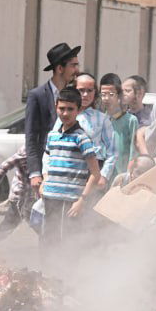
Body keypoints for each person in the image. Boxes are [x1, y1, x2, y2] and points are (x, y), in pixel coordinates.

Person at [40, 85, 102, 256]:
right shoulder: (52, 136)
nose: (65, 113)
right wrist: (45, 180)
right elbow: (48, 160)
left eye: (70, 109)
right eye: (62, 108)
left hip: (71, 201)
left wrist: (82, 201)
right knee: (49, 238)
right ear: (56, 107)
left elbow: (95, 174)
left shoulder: (82, 138)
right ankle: (46, 275)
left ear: (78, 110)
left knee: (69, 240)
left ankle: (67, 278)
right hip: (51, 196)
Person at [24, 43, 81, 197]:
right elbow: (31, 137)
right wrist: (35, 172)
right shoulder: (37, 95)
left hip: (69, 168)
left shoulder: (76, 94)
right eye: (73, 65)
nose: (77, 70)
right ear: (60, 68)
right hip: (46, 167)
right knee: (26, 213)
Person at [99, 73, 143, 182]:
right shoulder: (99, 119)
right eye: (103, 94)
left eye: (111, 94)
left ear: (119, 95)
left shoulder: (130, 120)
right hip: (101, 176)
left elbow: (133, 151)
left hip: (120, 175)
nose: (106, 98)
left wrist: (128, 174)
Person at [0, 148, 31, 243]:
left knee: (43, 225)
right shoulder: (26, 152)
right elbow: (2, 168)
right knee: (8, 226)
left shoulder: (46, 147)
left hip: (36, 197)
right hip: (21, 198)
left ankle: (55, 249)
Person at [74, 72, 116, 183]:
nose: (85, 94)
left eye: (89, 90)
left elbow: (112, 151)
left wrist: (104, 175)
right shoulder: (65, 116)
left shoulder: (102, 119)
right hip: (70, 169)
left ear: (95, 92)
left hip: (94, 172)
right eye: (81, 90)